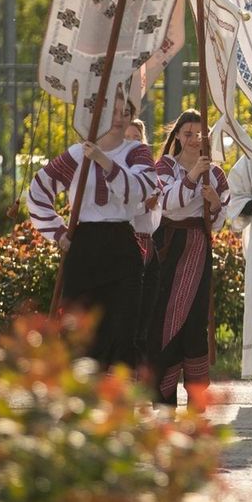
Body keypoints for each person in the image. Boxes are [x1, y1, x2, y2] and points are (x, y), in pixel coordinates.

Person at [27, 94, 157, 367]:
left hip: (122, 243)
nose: (120, 119)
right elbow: (38, 192)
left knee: (123, 330)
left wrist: (103, 160)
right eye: (114, 112)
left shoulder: (136, 152)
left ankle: (118, 391)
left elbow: (141, 190)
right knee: (79, 333)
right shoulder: (77, 154)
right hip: (84, 245)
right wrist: (58, 233)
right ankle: (82, 390)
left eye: (126, 112)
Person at [142, 110, 230, 406]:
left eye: (200, 134)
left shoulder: (216, 173)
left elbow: (220, 219)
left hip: (198, 246)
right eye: (188, 133)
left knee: (194, 320)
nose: (194, 139)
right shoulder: (165, 166)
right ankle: (163, 392)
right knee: (164, 315)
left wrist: (214, 204)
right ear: (178, 135)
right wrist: (192, 176)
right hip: (168, 245)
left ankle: (197, 394)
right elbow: (168, 203)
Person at [126, 118, 159, 265]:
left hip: (144, 238)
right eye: (127, 137)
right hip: (122, 238)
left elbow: (156, 200)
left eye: (137, 138)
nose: (132, 142)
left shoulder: (149, 171)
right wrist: (144, 206)